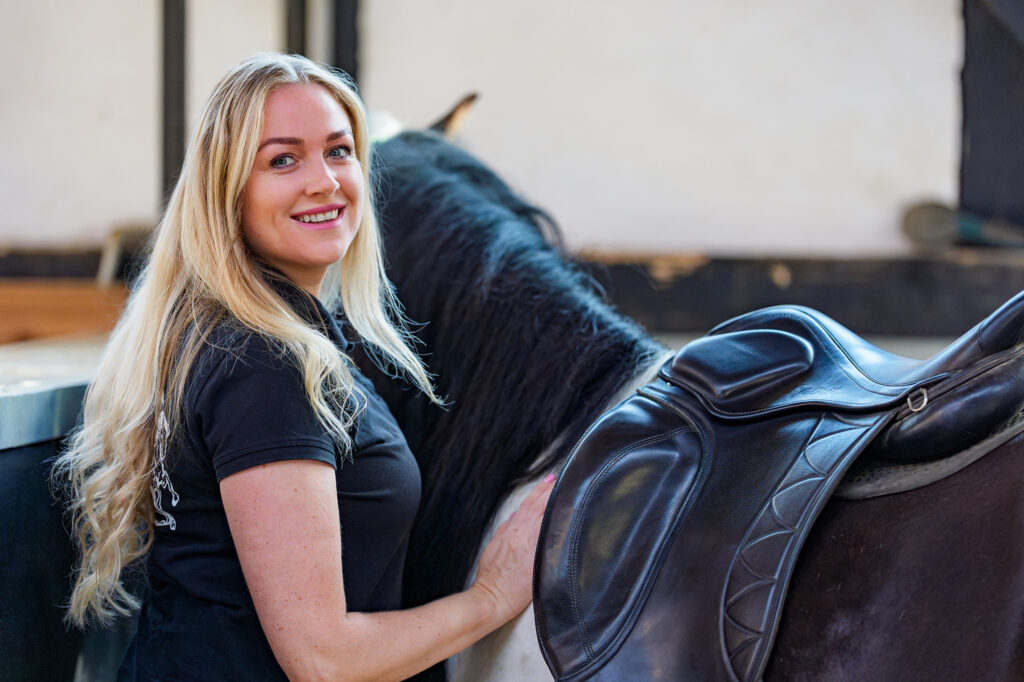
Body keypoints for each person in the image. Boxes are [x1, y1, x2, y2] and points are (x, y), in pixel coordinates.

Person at [53, 52, 554, 681]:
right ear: (227, 192)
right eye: (282, 159)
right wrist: (490, 599)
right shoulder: (264, 364)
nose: (323, 180)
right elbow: (324, 661)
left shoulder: (265, 337)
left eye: (339, 151)